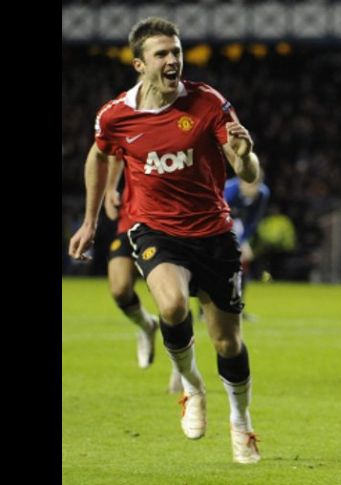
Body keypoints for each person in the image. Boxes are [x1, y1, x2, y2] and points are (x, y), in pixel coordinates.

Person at [68, 17, 262, 464]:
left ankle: (241, 421)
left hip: (213, 232)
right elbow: (98, 156)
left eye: (177, 51)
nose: (174, 59)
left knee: (227, 343)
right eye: (162, 53)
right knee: (172, 306)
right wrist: (89, 220)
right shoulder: (115, 115)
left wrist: (246, 154)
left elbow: (246, 174)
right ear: (140, 64)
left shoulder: (208, 102)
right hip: (155, 229)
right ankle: (192, 388)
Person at [170, 174, 270, 394]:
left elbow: (253, 220)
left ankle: (235, 306)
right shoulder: (230, 190)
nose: (252, 188)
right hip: (208, 230)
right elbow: (214, 210)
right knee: (193, 285)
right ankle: (201, 312)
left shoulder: (262, 194)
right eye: (249, 184)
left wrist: (243, 242)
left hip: (232, 231)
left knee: (241, 268)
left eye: (255, 184)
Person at [103, 152, 159, 369]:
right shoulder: (130, 119)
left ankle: (183, 370)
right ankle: (147, 325)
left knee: (169, 296)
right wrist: (110, 188)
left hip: (168, 223)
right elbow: (114, 152)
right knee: (119, 288)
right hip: (131, 217)